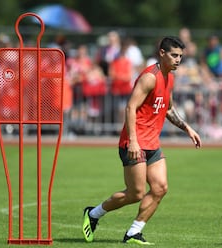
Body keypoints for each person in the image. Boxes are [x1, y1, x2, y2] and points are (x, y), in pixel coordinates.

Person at [82, 36, 202, 245]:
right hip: (134, 142)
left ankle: (133, 232)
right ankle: (94, 214)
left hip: (152, 144)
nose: (178, 60)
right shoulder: (150, 77)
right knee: (135, 193)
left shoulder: (169, 77)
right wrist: (134, 142)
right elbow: (130, 107)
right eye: (174, 55)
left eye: (180, 56)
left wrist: (187, 127)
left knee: (160, 188)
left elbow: (169, 108)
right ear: (162, 53)